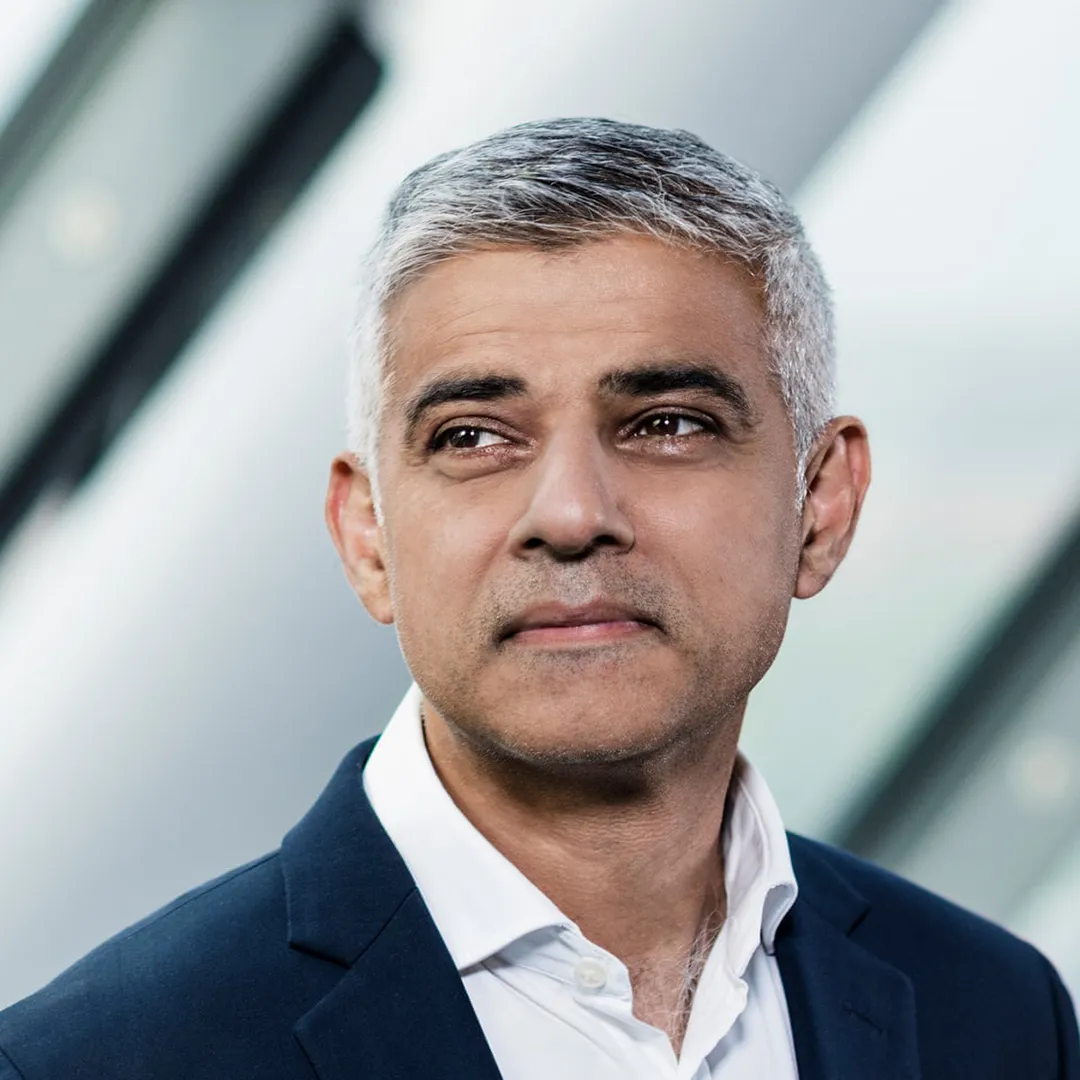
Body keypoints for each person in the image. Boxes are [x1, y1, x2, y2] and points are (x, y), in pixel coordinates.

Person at [0, 117, 1076, 1080]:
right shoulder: (96, 1062)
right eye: (472, 437)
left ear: (822, 504)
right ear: (367, 533)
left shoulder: (995, 1015)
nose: (568, 513)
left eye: (667, 422)